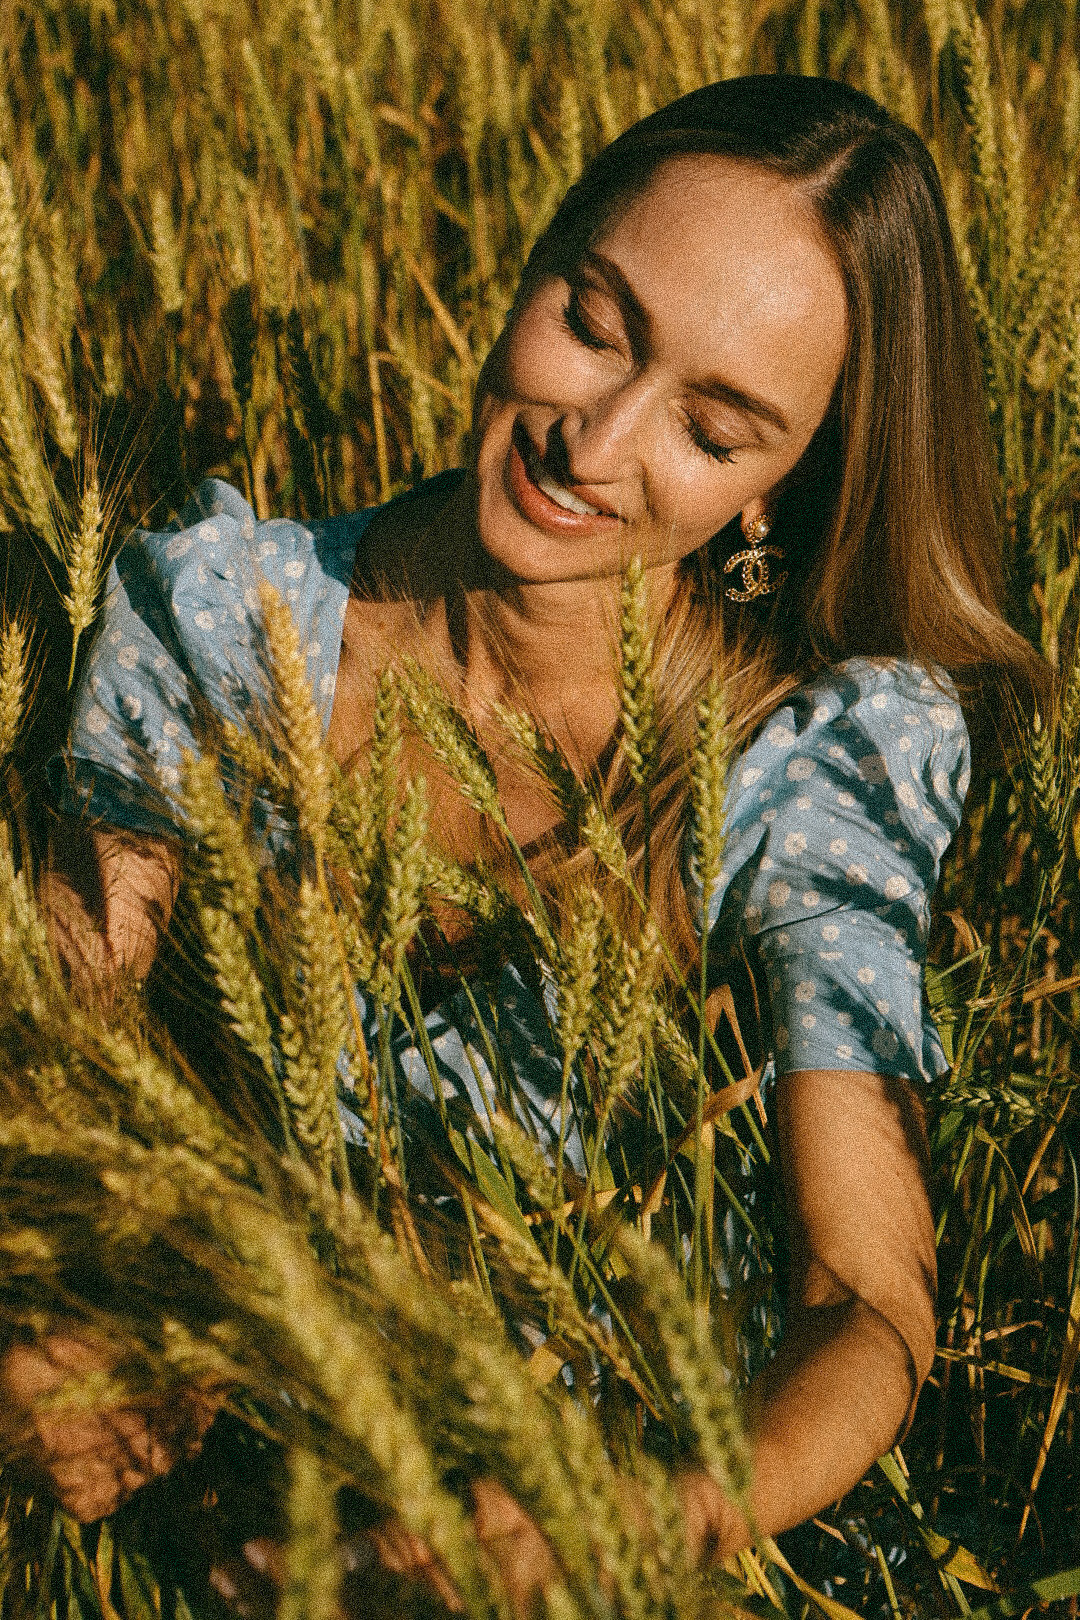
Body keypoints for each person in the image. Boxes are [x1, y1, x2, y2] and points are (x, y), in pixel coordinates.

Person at [2, 71, 1043, 1609]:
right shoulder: (224, 621)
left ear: (781, 490)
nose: (596, 440)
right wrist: (73, 1326)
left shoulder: (808, 754)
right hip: (226, 1511)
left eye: (713, 425)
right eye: (596, 320)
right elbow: (53, 1078)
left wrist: (624, 1521)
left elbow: (870, 1299)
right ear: (537, 254)